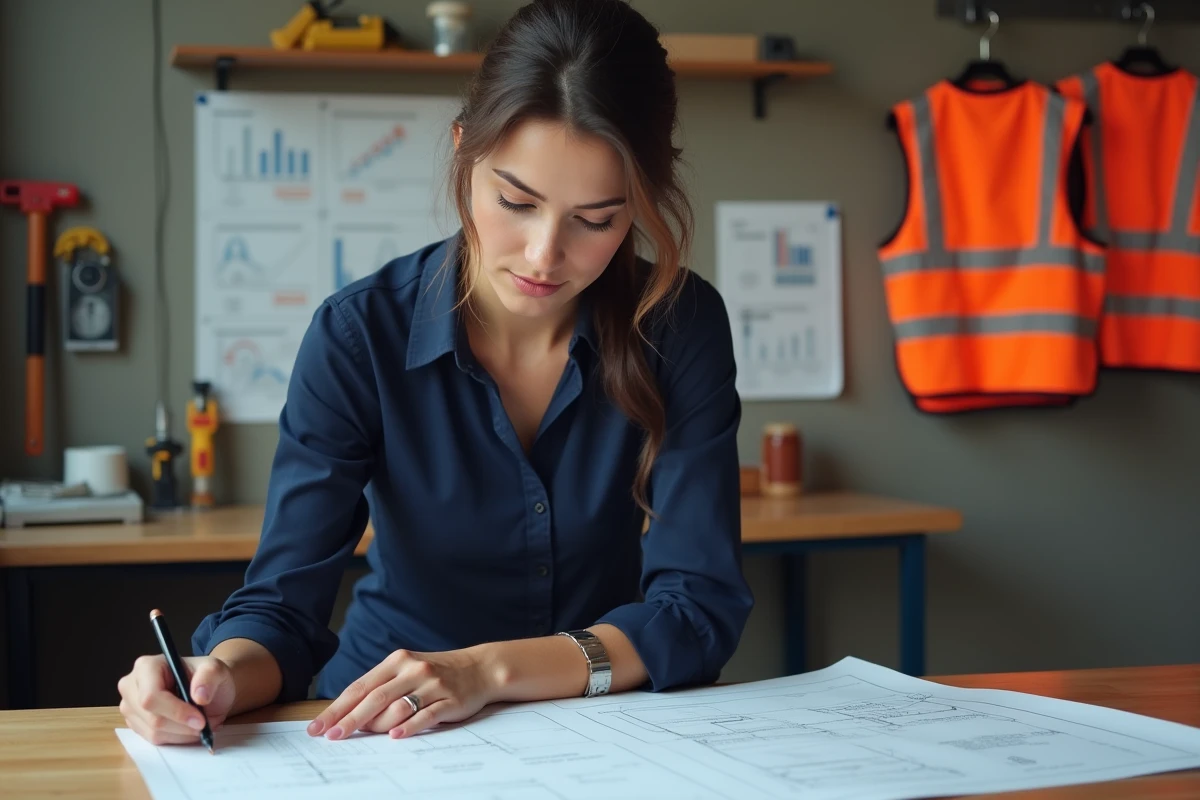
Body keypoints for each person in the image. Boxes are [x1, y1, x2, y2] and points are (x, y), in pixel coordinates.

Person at [118, 0, 753, 746]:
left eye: (597, 220)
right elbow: (282, 609)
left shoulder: (679, 324)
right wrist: (217, 675)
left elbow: (696, 609)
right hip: (383, 729)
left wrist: (487, 670)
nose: (545, 254)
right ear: (463, 150)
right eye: (515, 202)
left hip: (599, 731)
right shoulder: (358, 335)